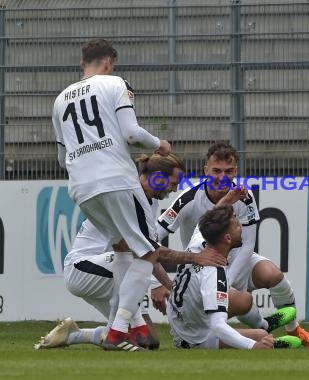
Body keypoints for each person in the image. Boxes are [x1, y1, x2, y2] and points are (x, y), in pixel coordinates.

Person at [51, 39, 224, 351]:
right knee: (147, 254)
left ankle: (135, 325)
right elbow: (131, 133)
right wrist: (160, 144)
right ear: (109, 63)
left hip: (81, 187)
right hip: (114, 180)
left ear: (82, 65)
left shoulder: (60, 100)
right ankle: (118, 329)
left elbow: (63, 159)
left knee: (123, 249)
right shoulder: (115, 83)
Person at [34, 153, 225, 350]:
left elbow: (149, 250)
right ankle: (115, 331)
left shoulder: (150, 202)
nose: (175, 189)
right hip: (83, 269)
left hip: (114, 272)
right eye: (173, 183)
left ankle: (75, 334)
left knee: (147, 342)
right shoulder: (125, 194)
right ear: (158, 177)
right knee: (135, 262)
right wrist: (195, 259)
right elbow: (147, 253)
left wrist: (168, 285)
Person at [157, 142, 309, 347]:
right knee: (242, 303)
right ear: (205, 171)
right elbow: (152, 239)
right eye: (216, 171)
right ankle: (262, 327)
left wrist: (227, 281)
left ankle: (295, 331)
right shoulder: (188, 200)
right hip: (204, 267)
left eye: (228, 171)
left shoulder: (244, 197)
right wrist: (158, 282)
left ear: (235, 171)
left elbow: (248, 245)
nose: (222, 176)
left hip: (233, 260)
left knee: (273, 274)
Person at [168, 205, 302, 350]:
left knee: (245, 299)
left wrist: (231, 197)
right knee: (260, 336)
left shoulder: (199, 237)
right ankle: (268, 341)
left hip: (181, 321)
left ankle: (266, 325)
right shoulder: (214, 273)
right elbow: (218, 326)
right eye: (238, 226)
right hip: (194, 339)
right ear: (227, 238)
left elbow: (209, 217)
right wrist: (254, 346)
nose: (242, 228)